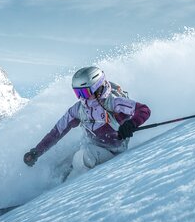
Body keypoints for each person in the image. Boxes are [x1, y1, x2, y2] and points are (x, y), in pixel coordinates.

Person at [23, 66, 151, 179]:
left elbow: (143, 110)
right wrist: (36, 151)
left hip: (113, 151)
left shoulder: (113, 102)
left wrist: (131, 124)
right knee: (64, 164)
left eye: (84, 92)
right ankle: (47, 191)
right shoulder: (79, 109)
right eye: (78, 93)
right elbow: (57, 131)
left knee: (84, 157)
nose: (81, 97)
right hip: (93, 146)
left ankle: (68, 190)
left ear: (97, 88)